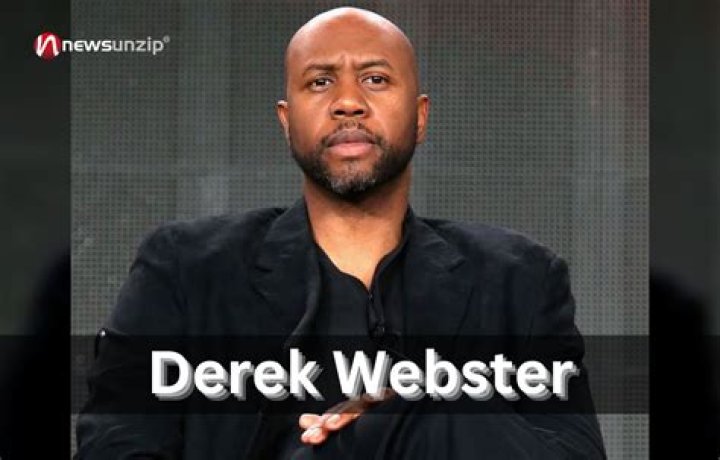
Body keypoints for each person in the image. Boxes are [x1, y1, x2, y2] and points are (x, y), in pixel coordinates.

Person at [76, 7, 606, 459]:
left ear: (420, 116)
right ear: (287, 121)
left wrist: (422, 413)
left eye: (375, 79)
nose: (348, 102)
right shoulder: (185, 269)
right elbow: (115, 447)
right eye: (320, 82)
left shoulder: (519, 281)